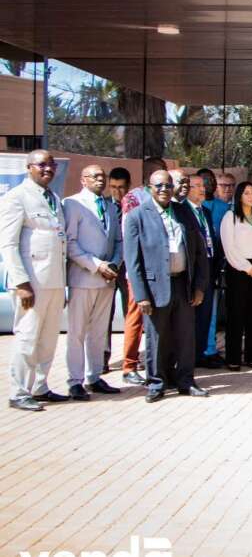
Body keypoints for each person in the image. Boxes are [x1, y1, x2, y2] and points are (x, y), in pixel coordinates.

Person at [123, 169, 210, 403]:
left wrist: (199, 286)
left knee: (185, 336)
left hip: (183, 283)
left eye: (167, 186)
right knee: (157, 338)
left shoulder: (184, 212)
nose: (164, 190)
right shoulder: (137, 216)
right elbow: (132, 261)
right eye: (158, 185)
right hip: (155, 288)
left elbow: (200, 251)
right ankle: (156, 383)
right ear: (149, 188)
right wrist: (141, 295)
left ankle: (186, 381)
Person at [1, 151, 68, 411]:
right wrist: (20, 282)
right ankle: (19, 392)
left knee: (48, 338)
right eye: (42, 165)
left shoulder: (53, 198)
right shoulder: (17, 197)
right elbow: (7, 243)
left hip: (53, 280)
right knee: (27, 337)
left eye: (51, 165)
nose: (48, 169)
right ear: (29, 167)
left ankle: (40, 387)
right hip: (31, 283)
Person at [62, 165, 123, 400]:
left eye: (102, 176)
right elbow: (70, 242)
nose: (100, 180)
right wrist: (97, 265)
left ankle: (94, 376)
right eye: (95, 176)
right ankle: (75, 380)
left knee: (98, 333)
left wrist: (115, 264)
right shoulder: (73, 204)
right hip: (84, 277)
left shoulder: (109, 206)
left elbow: (118, 240)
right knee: (77, 332)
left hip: (107, 280)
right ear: (83, 179)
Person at [120, 156, 169, 386]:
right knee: (137, 317)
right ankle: (129, 365)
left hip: (162, 270)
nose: (164, 184)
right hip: (140, 271)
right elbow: (130, 238)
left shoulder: (167, 200)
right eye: (158, 175)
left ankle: (155, 363)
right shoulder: (134, 198)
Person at [220, 182, 252, 370]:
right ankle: (233, 358)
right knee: (236, 315)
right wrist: (246, 267)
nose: (250, 196)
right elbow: (229, 247)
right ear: (239, 196)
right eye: (246, 193)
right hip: (238, 270)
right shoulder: (230, 217)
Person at [180, 172, 222, 369]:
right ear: (186, 189)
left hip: (208, 274)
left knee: (204, 320)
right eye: (196, 185)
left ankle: (199, 356)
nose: (202, 188)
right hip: (191, 276)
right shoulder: (181, 211)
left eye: (202, 185)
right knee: (189, 322)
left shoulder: (204, 211)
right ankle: (186, 362)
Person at [104, 165, 132, 372]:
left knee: (130, 313)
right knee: (105, 314)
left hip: (129, 267)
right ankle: (102, 357)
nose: (117, 192)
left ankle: (130, 357)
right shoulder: (104, 206)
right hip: (109, 266)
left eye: (121, 187)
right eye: (113, 187)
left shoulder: (134, 206)